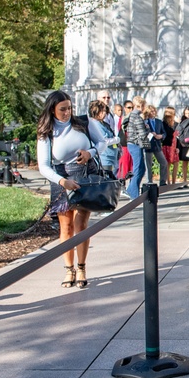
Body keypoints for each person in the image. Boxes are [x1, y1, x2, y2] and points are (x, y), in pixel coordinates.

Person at [37, 91, 108, 288]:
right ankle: (69, 270)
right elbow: (43, 166)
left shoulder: (84, 123)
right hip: (61, 179)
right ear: (52, 109)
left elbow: (103, 142)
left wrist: (90, 152)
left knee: (81, 225)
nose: (67, 112)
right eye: (62, 109)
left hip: (85, 175)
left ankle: (82, 267)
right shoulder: (46, 132)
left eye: (69, 108)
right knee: (66, 227)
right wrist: (62, 182)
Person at [124, 96, 153, 199]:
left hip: (132, 144)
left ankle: (132, 190)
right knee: (138, 168)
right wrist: (148, 129)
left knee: (141, 168)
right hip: (135, 145)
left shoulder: (131, 115)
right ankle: (133, 193)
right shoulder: (137, 117)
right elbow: (142, 135)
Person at [90, 100, 121, 173]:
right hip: (105, 158)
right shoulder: (96, 124)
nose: (104, 113)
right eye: (102, 111)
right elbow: (104, 140)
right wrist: (116, 140)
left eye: (105, 111)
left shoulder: (103, 123)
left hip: (111, 156)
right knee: (108, 178)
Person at [142, 103, 168, 185]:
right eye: (150, 112)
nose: (153, 113)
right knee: (148, 165)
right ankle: (149, 181)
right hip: (147, 144)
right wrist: (149, 132)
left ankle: (163, 181)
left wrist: (161, 136)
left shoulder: (159, 122)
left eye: (154, 111)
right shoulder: (144, 122)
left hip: (157, 145)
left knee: (164, 162)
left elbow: (164, 133)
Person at [175, 105, 189, 184]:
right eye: (186, 113)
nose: (188, 115)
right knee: (184, 162)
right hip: (183, 143)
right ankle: (184, 180)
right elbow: (178, 132)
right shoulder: (182, 120)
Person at [162, 106, 180, 184]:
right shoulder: (164, 123)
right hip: (167, 145)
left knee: (176, 163)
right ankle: (168, 182)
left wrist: (178, 147)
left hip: (175, 145)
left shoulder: (176, 123)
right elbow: (169, 133)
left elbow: (179, 135)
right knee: (167, 164)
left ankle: (173, 182)